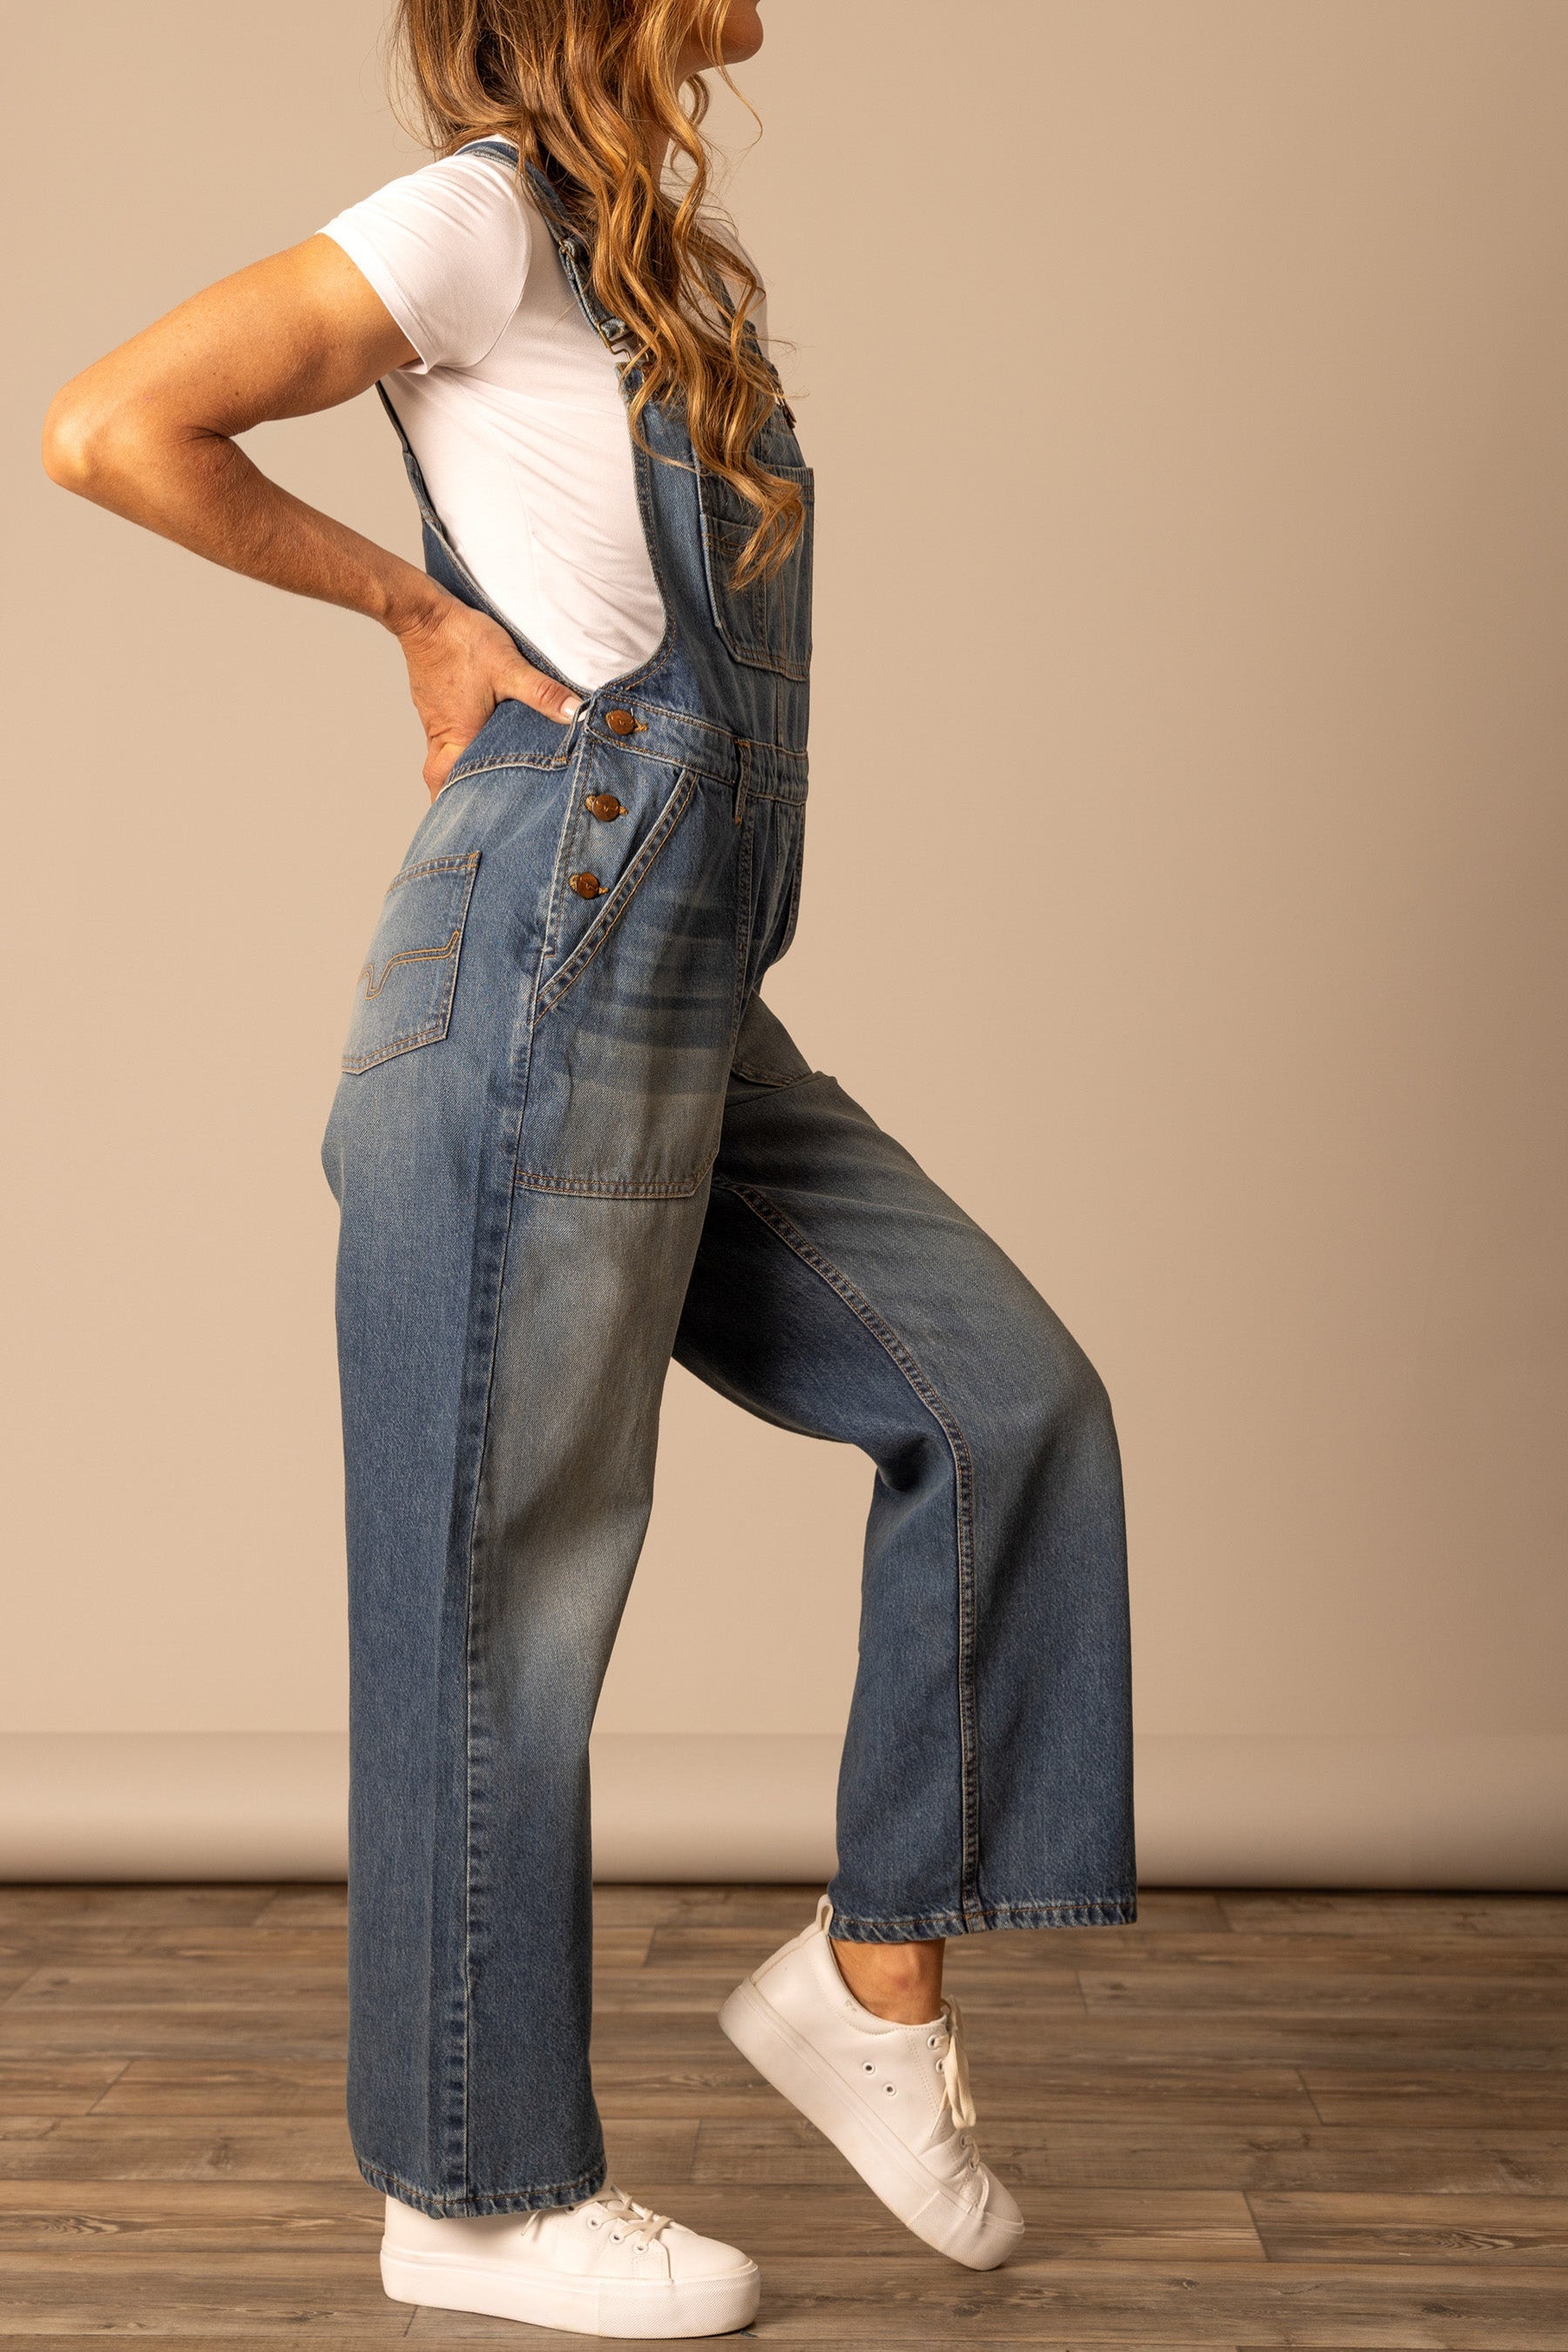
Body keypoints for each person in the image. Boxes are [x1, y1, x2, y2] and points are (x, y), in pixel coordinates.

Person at [42, 0, 1135, 2335]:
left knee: (1004, 1405)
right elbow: (111, 424)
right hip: (544, 947)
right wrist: (416, 612)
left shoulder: (640, 261)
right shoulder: (467, 222)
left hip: (676, 979)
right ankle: (475, 2189)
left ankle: (872, 1983)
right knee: (500, 1586)